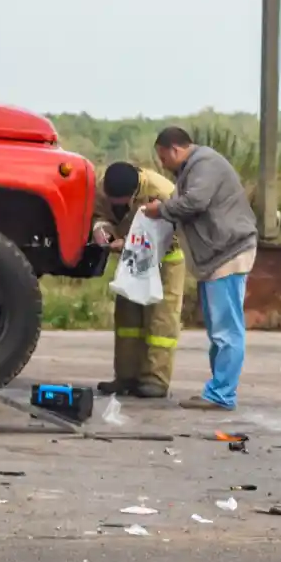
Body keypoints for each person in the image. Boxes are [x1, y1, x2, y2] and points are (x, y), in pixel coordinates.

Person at [146, 126, 260, 412]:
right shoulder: (191, 169)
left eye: (163, 157)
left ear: (175, 149)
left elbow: (195, 202)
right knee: (218, 331)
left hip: (228, 253)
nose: (162, 164)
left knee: (227, 331)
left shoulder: (204, 164)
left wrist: (161, 210)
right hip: (215, 257)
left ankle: (222, 394)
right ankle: (217, 390)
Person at [92, 162, 181, 398]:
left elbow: (175, 229)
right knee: (127, 319)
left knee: (160, 320)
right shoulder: (102, 189)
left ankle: (155, 379)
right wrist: (102, 229)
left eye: (122, 202)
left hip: (166, 257)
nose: (117, 205)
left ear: (134, 193)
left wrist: (130, 242)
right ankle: (125, 377)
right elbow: (99, 214)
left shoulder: (162, 191)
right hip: (131, 257)